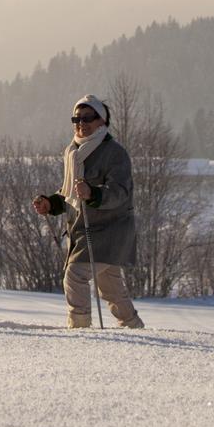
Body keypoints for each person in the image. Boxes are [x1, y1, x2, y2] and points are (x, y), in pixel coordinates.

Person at [32, 95, 144, 329]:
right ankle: (133, 326)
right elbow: (70, 194)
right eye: (76, 118)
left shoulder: (115, 153)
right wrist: (50, 204)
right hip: (83, 230)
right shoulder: (73, 152)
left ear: (101, 121)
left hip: (111, 229)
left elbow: (121, 192)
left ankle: (80, 329)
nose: (81, 123)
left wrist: (93, 193)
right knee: (110, 286)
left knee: (75, 275)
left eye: (87, 118)